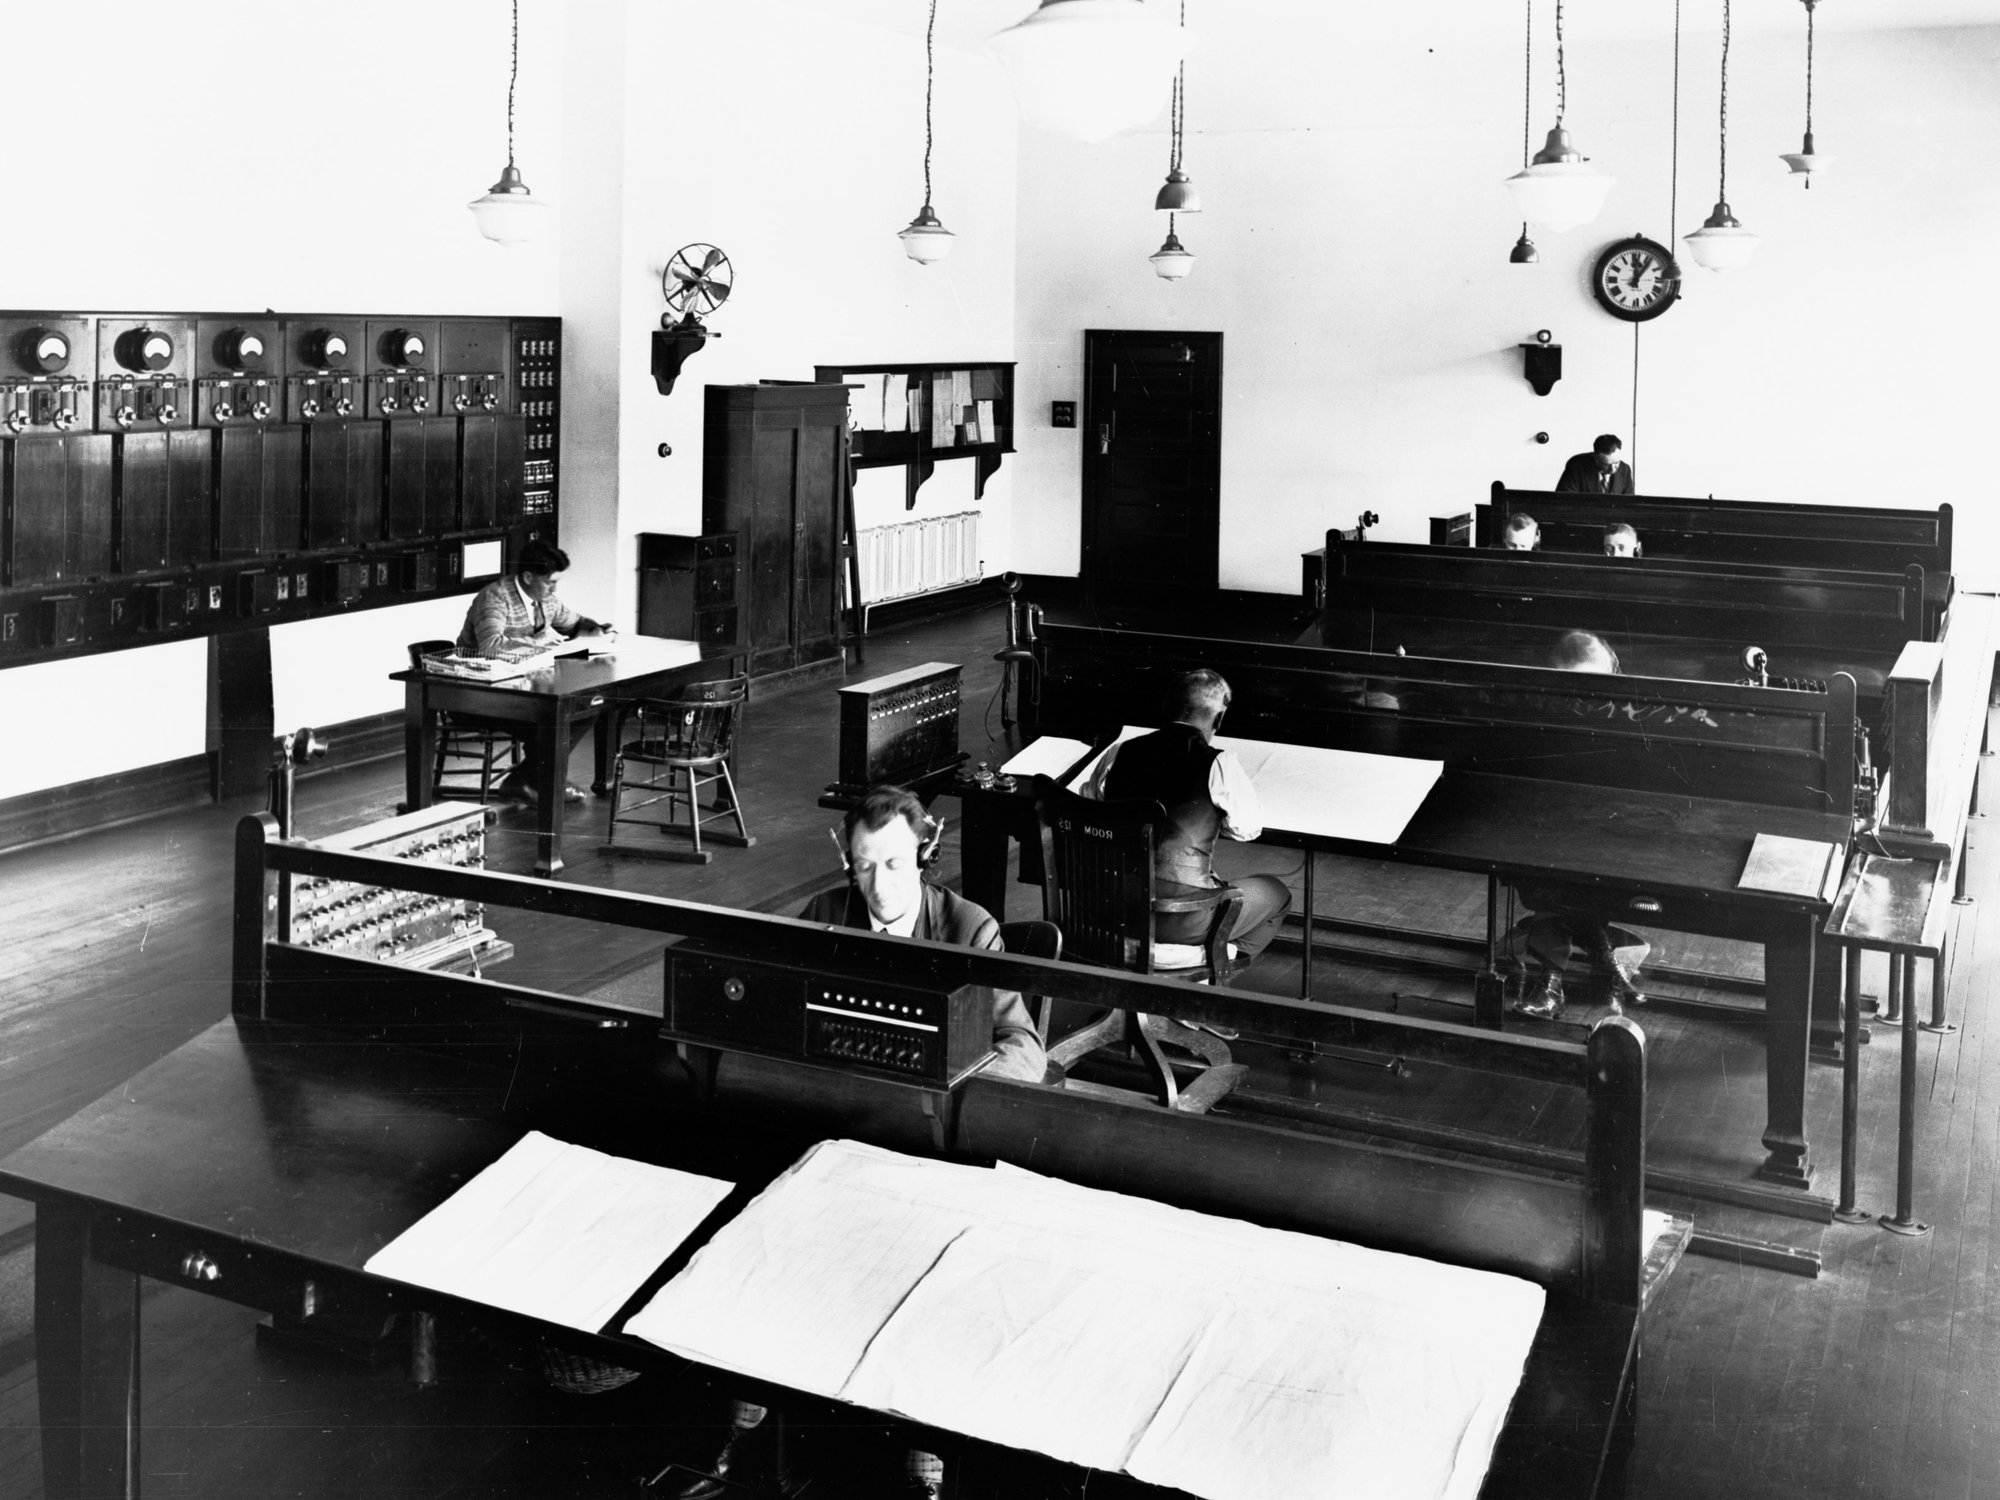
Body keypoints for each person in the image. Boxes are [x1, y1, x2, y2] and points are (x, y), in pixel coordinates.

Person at [671, 786, 1046, 1500]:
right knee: (766, 1223)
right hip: (838, 1127)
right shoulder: (824, 916)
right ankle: (751, 1400)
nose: (881, 886)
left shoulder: (970, 928)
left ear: (925, 855)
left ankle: (922, 1444)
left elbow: (1024, 1049)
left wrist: (943, 1082)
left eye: (897, 865)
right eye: (866, 867)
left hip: (927, 1139)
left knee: (930, 1263)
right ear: (847, 859)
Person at [1077, 669, 1291, 972]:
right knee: (1277, 894)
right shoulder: (1219, 763)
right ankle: (1202, 969)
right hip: (1182, 919)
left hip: (1113, 906)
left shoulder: (1120, 751)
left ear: (1168, 708)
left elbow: (1090, 808)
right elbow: (1248, 829)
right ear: (1218, 721)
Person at [1506, 631, 1649, 1020]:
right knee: (1548, 869)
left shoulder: (1627, 718)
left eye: (1593, 684)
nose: (1582, 699)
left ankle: (1553, 980)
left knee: (1577, 875)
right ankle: (1605, 960)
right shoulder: (1538, 718)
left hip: (1611, 836)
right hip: (1547, 835)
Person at [454, 539, 611, 804]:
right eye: (550, 582)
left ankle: (527, 780)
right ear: (528, 577)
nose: (554, 589)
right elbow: (491, 647)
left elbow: (575, 622)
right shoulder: (495, 597)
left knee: (585, 711)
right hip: (480, 692)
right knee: (554, 719)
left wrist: (597, 629)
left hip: (522, 688)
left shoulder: (545, 599)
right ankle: (540, 781)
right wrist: (541, 642)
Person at [1555, 434, 1635, 495]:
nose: (1612, 469)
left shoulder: (1625, 469)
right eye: (1606, 464)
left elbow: (1629, 504)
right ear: (1595, 457)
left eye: (1616, 463)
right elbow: (1564, 499)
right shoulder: (1576, 465)